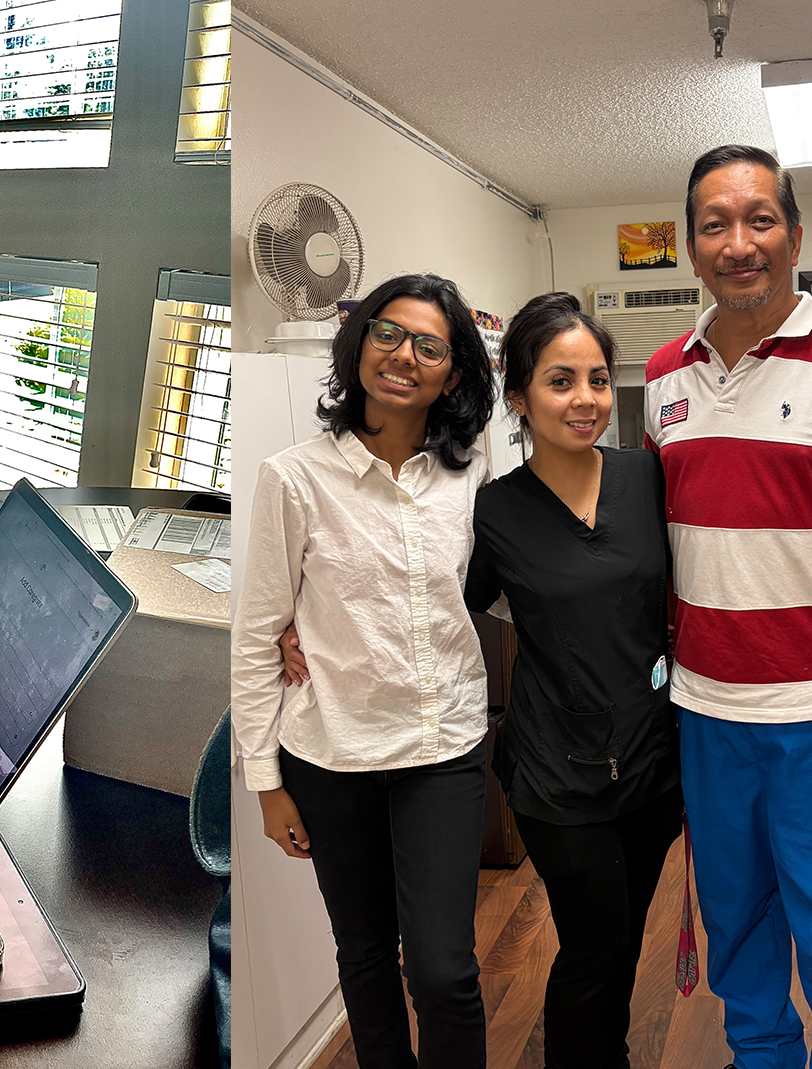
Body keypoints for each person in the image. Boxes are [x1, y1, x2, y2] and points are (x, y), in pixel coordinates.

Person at [643, 144, 812, 1069]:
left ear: (795, 235)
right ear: (690, 247)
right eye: (715, 224)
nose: (739, 242)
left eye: (760, 219)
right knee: (739, 942)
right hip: (707, 718)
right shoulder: (661, 381)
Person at [232, 273, 497, 1069]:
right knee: (367, 955)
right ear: (358, 344)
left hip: (443, 747)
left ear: (452, 373)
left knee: (446, 971)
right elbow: (256, 636)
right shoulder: (294, 478)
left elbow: (489, 588)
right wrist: (265, 782)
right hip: (332, 757)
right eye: (387, 332)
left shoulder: (470, 472)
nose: (403, 355)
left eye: (429, 346)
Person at [466, 293, 682, 1069]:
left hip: (654, 761)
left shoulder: (647, 479)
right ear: (518, 397)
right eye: (561, 381)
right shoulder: (496, 511)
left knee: (620, 940)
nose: (585, 400)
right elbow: (440, 616)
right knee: (595, 942)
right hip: (556, 774)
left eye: (597, 379)